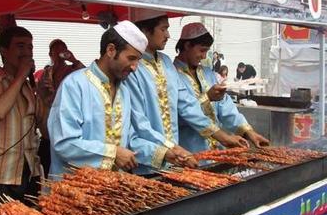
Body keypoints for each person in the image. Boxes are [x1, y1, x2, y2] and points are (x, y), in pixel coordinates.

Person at [125, 10, 249, 173]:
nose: (168, 35)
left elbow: (187, 105)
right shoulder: (133, 68)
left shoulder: (166, 62)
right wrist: (169, 150)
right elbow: (139, 123)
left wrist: (224, 136)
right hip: (149, 160)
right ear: (146, 31)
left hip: (178, 158)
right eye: (163, 29)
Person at [47, 21, 147, 175]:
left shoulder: (124, 91)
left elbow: (130, 140)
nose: (135, 67)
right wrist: (112, 154)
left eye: (137, 61)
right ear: (111, 50)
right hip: (72, 192)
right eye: (131, 58)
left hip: (114, 191)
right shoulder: (74, 85)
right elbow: (64, 143)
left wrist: (165, 152)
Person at [0, 26, 45, 207]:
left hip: (29, 173)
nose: (27, 52)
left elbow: (44, 127)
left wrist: (42, 93)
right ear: (4, 51)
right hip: (0, 175)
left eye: (30, 47)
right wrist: (21, 75)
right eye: (20, 46)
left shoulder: (29, 87)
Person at [174, 22, 269, 152]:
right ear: (187, 45)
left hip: (215, 150)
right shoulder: (172, 75)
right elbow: (181, 113)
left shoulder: (208, 73)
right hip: (189, 151)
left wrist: (248, 132)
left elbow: (225, 106)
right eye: (202, 50)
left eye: (206, 51)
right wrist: (207, 98)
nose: (204, 56)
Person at [36, 39, 85, 177]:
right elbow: (41, 97)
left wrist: (74, 60)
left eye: (62, 51)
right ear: (50, 54)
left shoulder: (72, 70)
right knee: (46, 173)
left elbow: (88, 77)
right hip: (48, 133)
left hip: (67, 130)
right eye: (55, 52)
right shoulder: (46, 72)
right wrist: (46, 91)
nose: (58, 55)